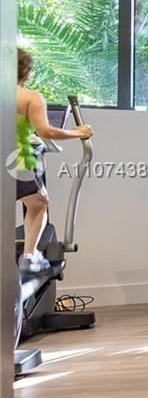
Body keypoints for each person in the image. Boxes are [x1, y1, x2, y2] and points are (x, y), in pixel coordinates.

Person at [14, 48, 94, 274]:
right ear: (27, 73)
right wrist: (79, 132)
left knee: (31, 201)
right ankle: (30, 257)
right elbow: (46, 132)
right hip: (17, 161)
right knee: (40, 203)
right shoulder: (30, 97)